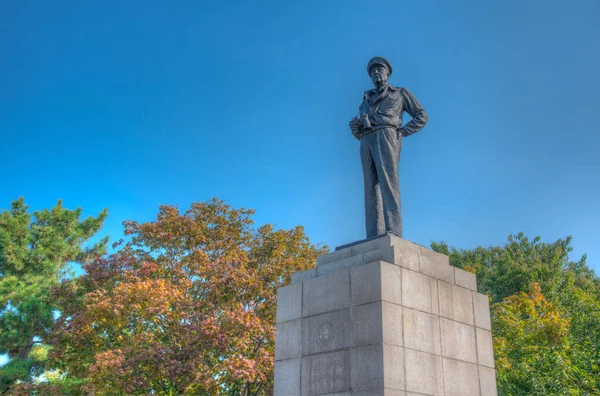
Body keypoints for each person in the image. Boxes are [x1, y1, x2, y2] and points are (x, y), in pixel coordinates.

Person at [349, 56, 428, 238]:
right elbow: (360, 131)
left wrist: (402, 132)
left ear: (387, 73)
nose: (376, 73)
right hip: (366, 140)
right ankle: (373, 233)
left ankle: (393, 229)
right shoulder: (365, 102)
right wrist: (355, 130)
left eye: (380, 70)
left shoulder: (400, 93)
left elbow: (421, 115)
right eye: (373, 72)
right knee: (370, 187)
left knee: (388, 182)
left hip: (387, 135)